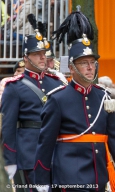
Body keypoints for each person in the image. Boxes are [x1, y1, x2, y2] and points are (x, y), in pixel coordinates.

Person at [33, 10, 115, 192]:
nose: (89, 67)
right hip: (69, 177)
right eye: (83, 63)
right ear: (72, 67)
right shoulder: (57, 99)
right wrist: (41, 180)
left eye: (92, 62)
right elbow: (45, 144)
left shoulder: (103, 96)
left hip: (98, 175)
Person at [1, 15, 63, 192]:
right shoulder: (15, 87)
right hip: (30, 153)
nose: (42, 58)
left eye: (43, 54)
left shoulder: (57, 83)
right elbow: (8, 126)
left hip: (56, 153)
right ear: (26, 57)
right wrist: (10, 159)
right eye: (37, 54)